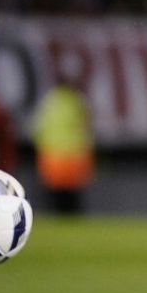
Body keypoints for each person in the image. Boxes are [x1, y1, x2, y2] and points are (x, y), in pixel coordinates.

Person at [32, 76, 94, 214]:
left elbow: (38, 130)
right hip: (75, 157)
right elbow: (86, 126)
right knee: (73, 196)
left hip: (52, 157)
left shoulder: (48, 103)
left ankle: (53, 219)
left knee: (53, 196)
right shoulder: (76, 101)